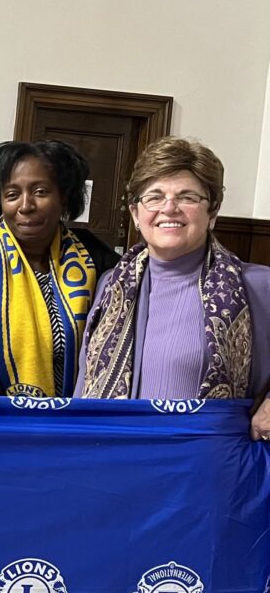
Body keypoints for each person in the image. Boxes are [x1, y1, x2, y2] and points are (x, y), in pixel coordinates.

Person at [75, 137, 270, 440]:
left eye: (187, 197)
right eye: (154, 197)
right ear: (136, 214)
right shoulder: (111, 285)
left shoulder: (256, 285)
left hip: (209, 470)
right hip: (114, 462)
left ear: (213, 211)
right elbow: (86, 382)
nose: (169, 208)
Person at [0, 140, 120, 396]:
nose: (25, 205)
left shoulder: (95, 255)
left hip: (81, 417)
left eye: (40, 192)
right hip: (2, 418)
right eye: (12, 195)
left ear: (64, 197)